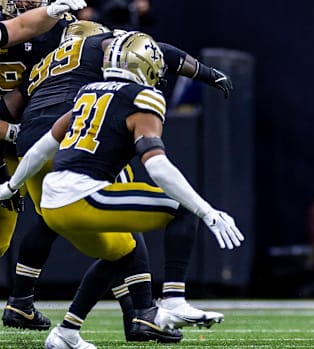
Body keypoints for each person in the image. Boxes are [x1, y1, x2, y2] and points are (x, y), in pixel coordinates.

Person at [0, 31, 244, 349]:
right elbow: (157, 167)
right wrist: (207, 210)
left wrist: (10, 185)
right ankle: (170, 300)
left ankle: (65, 332)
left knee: (119, 251)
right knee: (181, 209)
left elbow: (42, 147)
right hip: (83, 196)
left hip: (51, 194)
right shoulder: (142, 97)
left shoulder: (87, 91)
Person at [0, 0, 85, 256]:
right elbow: (20, 27)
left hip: (34, 131)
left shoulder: (65, 28)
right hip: (17, 133)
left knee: (56, 216)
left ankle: (22, 295)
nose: (27, 1)